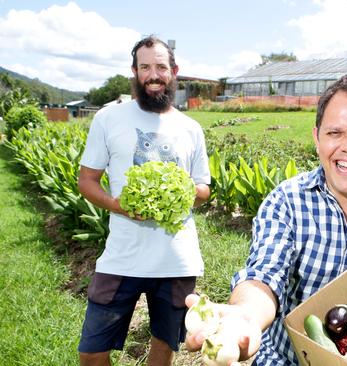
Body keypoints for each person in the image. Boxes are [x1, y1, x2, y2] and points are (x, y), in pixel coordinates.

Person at [185, 75, 347, 366]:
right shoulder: (287, 202)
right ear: (317, 138)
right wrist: (247, 316)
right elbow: (265, 274)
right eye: (335, 133)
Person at [77, 35, 211, 366]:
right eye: (145, 67)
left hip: (176, 260)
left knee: (164, 347)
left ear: (174, 71)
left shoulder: (190, 128)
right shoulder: (109, 119)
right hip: (123, 256)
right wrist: (117, 205)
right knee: (91, 352)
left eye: (161, 67)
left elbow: (203, 188)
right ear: (134, 71)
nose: (153, 74)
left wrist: (183, 194)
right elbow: (87, 180)